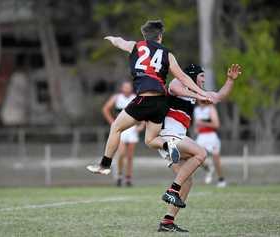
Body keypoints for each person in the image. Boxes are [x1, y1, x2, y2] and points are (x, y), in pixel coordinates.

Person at [87, 20, 216, 205]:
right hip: (161, 102)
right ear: (160, 37)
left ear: (144, 36)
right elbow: (183, 77)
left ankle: (104, 165)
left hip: (144, 99)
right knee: (149, 140)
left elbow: (120, 42)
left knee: (116, 127)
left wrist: (112, 39)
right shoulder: (168, 54)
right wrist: (202, 93)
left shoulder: (136, 46)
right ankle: (168, 145)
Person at [157, 63, 241, 232]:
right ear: (193, 76)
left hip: (177, 140)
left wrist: (230, 80)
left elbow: (218, 96)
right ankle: (171, 191)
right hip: (168, 137)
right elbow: (174, 86)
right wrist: (197, 93)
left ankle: (167, 222)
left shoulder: (196, 93)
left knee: (188, 181)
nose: (204, 80)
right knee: (201, 153)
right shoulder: (178, 85)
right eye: (202, 76)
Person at [102, 81, 143, 187]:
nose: (127, 89)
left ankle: (128, 178)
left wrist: (141, 126)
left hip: (132, 129)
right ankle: (119, 175)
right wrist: (112, 122)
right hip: (121, 129)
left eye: (128, 87)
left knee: (130, 156)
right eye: (125, 87)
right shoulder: (117, 97)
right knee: (121, 153)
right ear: (122, 88)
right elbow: (105, 109)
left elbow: (144, 111)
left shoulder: (136, 98)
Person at [194, 101, 227, 187]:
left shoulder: (210, 109)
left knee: (216, 159)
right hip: (201, 136)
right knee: (195, 156)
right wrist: (196, 128)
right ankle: (208, 168)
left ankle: (221, 179)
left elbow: (216, 124)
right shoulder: (196, 110)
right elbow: (196, 124)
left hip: (211, 136)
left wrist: (203, 123)